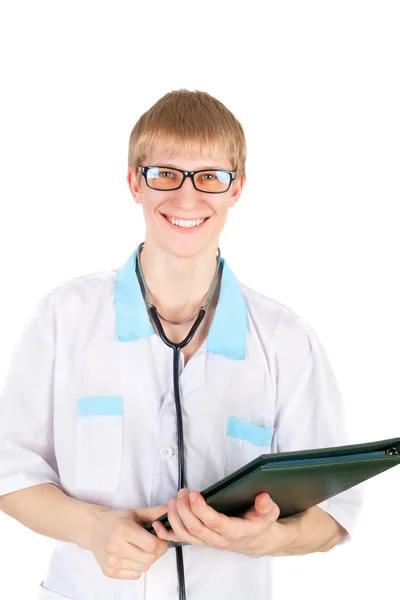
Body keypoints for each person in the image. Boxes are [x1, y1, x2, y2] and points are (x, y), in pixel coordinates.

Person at [0, 89, 363, 600]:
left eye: (210, 177)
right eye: (165, 174)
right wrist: (92, 528)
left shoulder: (287, 341)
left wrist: (269, 538)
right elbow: (10, 470)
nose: (187, 198)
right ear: (134, 182)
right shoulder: (63, 319)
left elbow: (333, 512)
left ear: (236, 189)